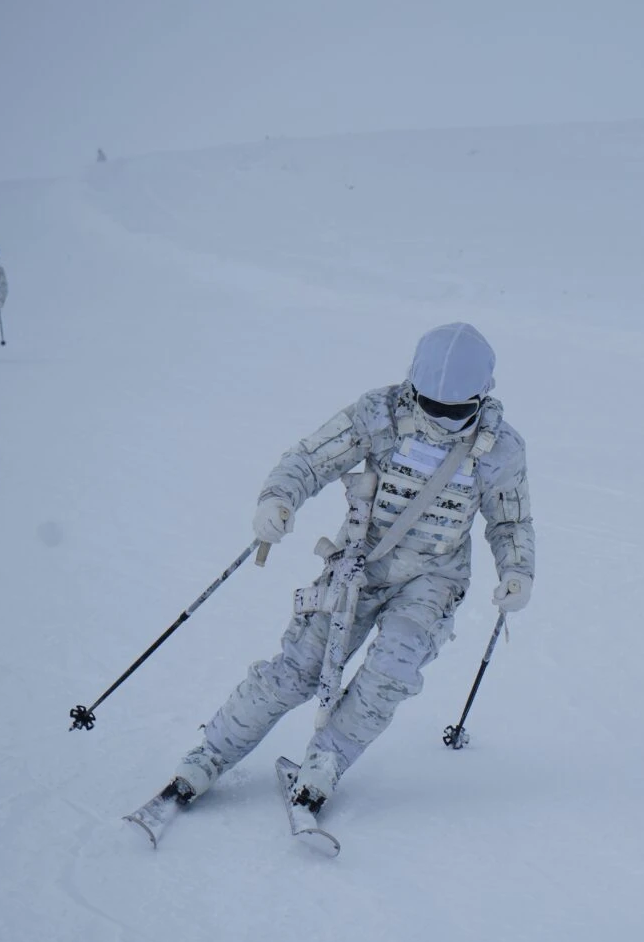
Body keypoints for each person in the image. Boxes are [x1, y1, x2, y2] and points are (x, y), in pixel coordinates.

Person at [165, 322, 535, 821]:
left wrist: (517, 570)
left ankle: (324, 762)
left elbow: (511, 518)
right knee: (299, 669)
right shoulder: (380, 414)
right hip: (360, 564)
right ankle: (210, 754)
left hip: (433, 578)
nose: (443, 418)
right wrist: (278, 499)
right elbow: (311, 458)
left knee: (390, 673)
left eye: (456, 410)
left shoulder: (500, 449)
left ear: (480, 396)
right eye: (433, 406)